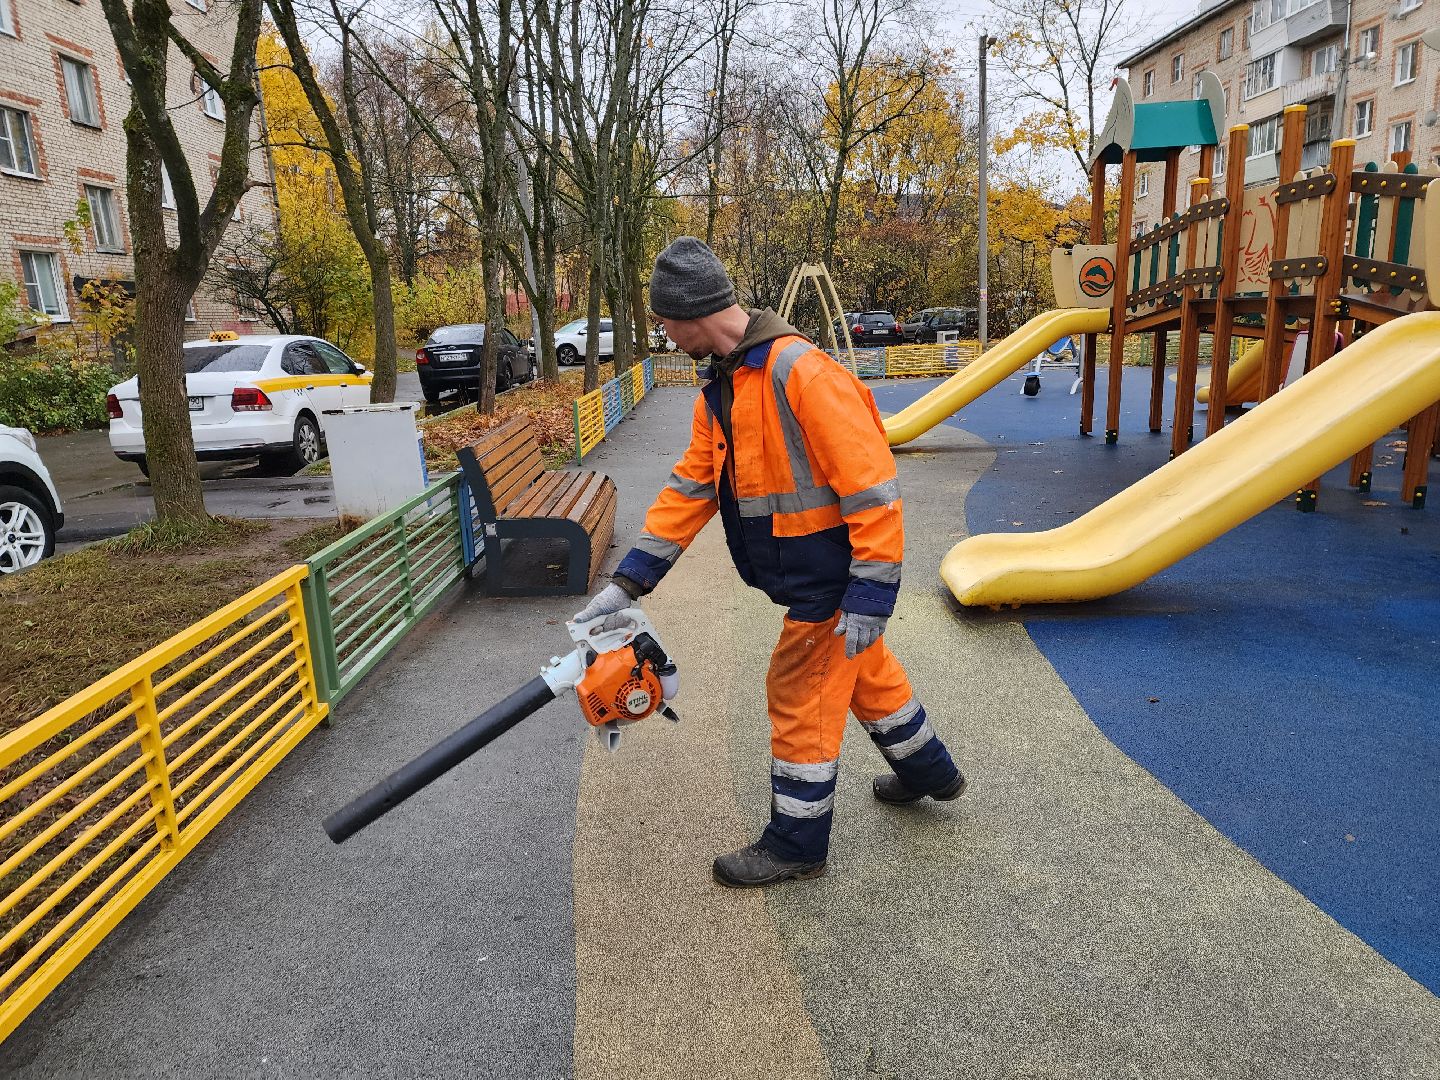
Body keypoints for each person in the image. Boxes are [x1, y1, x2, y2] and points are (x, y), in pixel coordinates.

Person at [575, 238, 965, 888]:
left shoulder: (801, 374)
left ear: (692, 313)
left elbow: (873, 488)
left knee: (799, 694)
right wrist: (628, 582)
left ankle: (795, 843)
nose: (665, 337)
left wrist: (870, 594)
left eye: (666, 323)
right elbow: (691, 488)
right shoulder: (723, 390)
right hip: (812, 579)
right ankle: (930, 772)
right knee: (866, 676)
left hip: (829, 582)